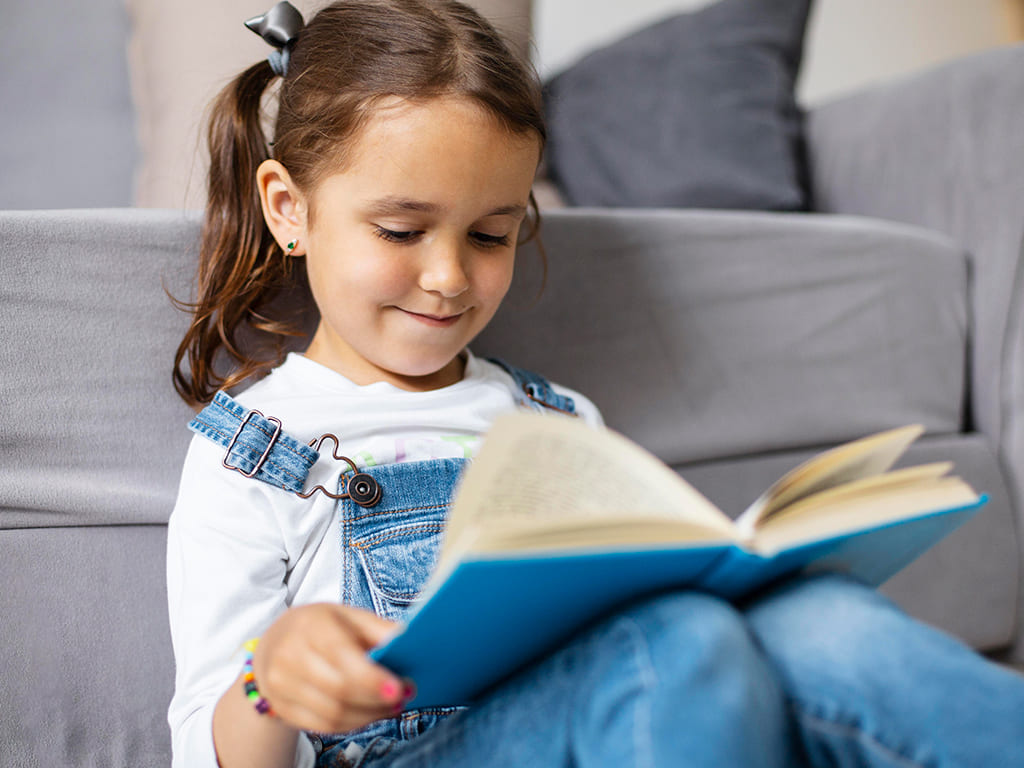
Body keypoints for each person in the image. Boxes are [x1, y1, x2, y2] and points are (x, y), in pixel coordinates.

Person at [166, 2, 1024, 767]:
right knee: (676, 643)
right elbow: (213, 745)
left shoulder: (556, 418)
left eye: (492, 236)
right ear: (287, 208)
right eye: (400, 229)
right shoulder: (254, 450)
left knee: (817, 621)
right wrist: (269, 676)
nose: (449, 278)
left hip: (620, 710)